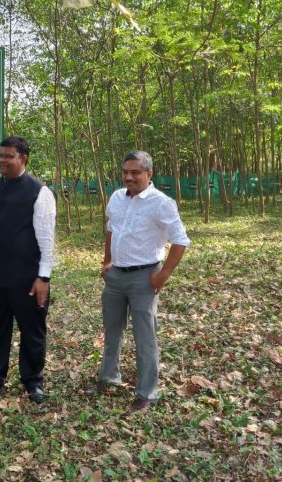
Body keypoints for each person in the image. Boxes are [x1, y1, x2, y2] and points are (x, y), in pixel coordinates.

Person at [89, 150, 190, 414]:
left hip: (144, 277)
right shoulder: (116, 198)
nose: (129, 177)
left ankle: (147, 393)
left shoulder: (161, 203)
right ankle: (108, 377)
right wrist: (106, 260)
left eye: (135, 172)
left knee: (145, 336)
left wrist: (162, 274)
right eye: (125, 172)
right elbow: (111, 228)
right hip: (116, 277)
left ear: (149, 174)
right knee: (112, 332)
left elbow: (180, 240)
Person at [0, 136, 56, 404]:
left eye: (8, 156)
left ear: (23, 159)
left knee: (31, 329)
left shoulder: (38, 191)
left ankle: (33, 381)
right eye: (0, 155)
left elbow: (47, 238)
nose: (2, 160)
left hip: (27, 278)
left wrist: (43, 277)